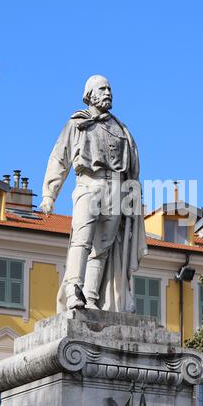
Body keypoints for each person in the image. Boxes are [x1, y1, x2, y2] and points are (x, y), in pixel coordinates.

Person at [40, 75, 147, 312]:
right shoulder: (76, 124)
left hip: (117, 191)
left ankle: (90, 297)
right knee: (82, 240)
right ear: (90, 94)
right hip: (88, 185)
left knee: (103, 248)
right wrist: (49, 194)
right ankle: (73, 291)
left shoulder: (121, 129)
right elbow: (60, 157)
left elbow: (132, 170)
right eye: (103, 88)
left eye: (110, 88)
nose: (108, 92)